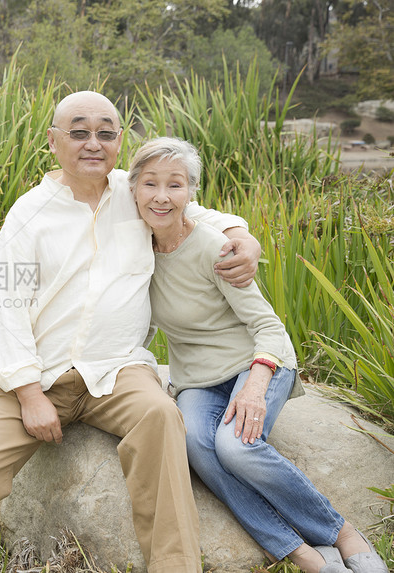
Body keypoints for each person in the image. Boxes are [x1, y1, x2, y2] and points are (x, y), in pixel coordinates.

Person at [0, 91, 263, 573]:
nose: (93, 143)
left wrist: (241, 235)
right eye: (79, 132)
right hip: (33, 375)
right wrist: (28, 394)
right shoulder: (26, 216)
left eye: (106, 132)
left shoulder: (136, 193)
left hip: (116, 370)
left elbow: (195, 214)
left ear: (120, 140)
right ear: (54, 140)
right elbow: (3, 308)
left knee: (162, 417)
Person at [130, 137, 388, 573]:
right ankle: (298, 550)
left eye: (175, 185)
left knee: (237, 448)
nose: (161, 196)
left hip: (260, 362)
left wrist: (255, 384)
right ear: (133, 189)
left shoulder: (216, 248)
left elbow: (268, 326)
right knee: (195, 443)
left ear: (191, 193)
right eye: (150, 183)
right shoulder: (134, 253)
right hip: (198, 381)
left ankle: (340, 532)